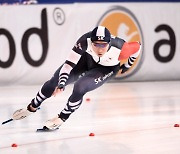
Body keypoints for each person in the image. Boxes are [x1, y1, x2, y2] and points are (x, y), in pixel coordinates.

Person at [12, 26, 141, 130]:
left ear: (109, 43)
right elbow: (68, 65)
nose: (99, 48)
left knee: (80, 87)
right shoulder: (84, 41)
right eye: (96, 44)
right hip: (87, 60)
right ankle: (32, 107)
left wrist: (127, 66)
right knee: (54, 81)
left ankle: (62, 117)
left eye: (103, 45)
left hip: (106, 69)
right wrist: (61, 84)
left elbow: (138, 47)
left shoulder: (121, 48)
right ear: (91, 41)